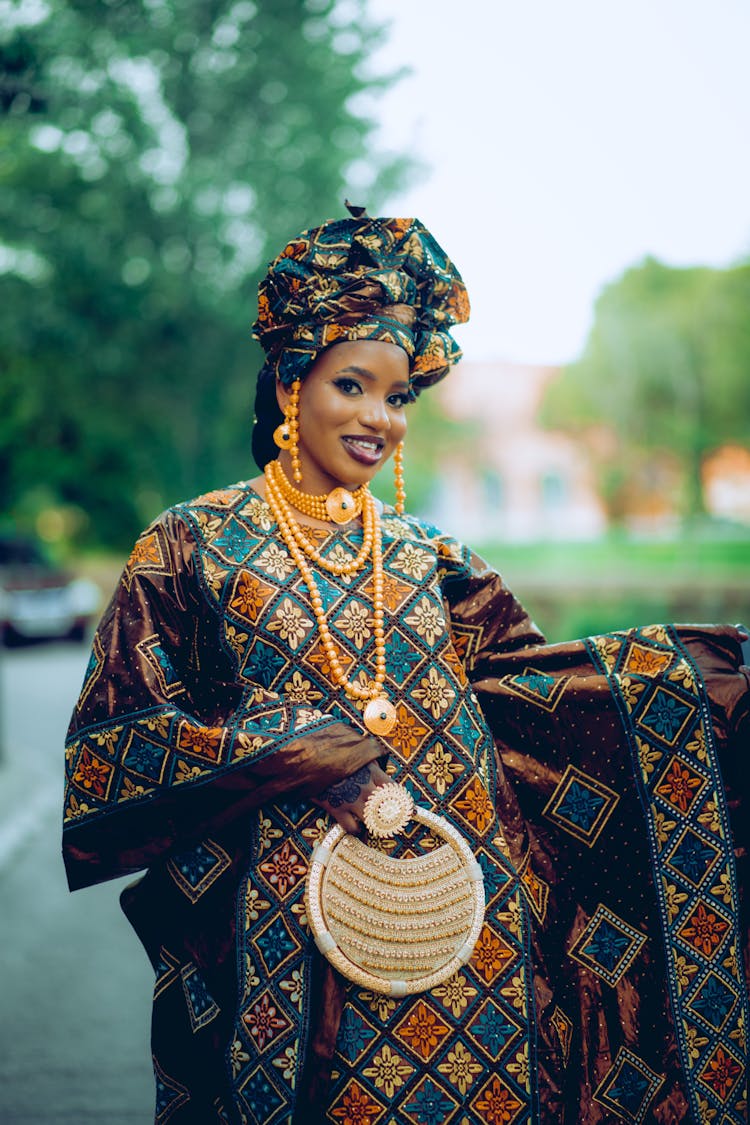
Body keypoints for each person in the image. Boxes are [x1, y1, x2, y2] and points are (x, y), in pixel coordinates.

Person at [63, 207, 749, 1125]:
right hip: (291, 954)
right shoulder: (191, 545)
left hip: (474, 948)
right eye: (354, 384)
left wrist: (701, 683)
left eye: (398, 397)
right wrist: (306, 749)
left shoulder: (436, 557)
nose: (379, 418)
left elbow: (540, 696)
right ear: (289, 377)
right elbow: (109, 757)